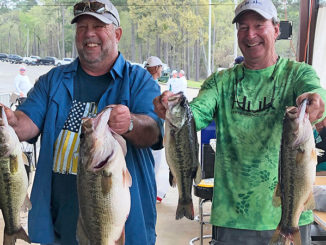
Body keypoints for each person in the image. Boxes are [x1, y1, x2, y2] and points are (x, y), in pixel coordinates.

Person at [153, 0, 326, 244]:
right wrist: (173, 110)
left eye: (259, 25)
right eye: (243, 27)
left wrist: (317, 103)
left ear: (276, 29)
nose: (250, 34)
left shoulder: (297, 74)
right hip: (233, 220)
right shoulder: (220, 82)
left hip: (292, 215)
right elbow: (197, 114)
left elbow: (317, 94)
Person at [2, 0, 163, 244]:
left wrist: (130, 123)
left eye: (99, 26)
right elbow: (27, 123)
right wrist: (11, 121)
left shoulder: (139, 80)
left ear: (117, 33)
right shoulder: (52, 80)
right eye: (82, 27)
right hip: (59, 231)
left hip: (121, 231)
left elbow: (152, 131)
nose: (89, 33)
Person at [145, 56, 170, 202]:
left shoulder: (145, 83)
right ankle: (151, 193)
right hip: (153, 133)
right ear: (155, 68)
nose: (161, 70)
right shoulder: (152, 86)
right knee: (153, 166)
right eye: (160, 67)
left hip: (152, 131)